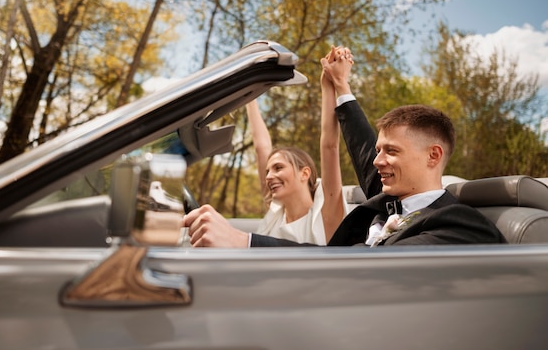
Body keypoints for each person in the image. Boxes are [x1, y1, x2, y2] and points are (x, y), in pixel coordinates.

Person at [183, 46, 506, 247]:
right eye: (379, 150)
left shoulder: (457, 223)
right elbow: (363, 148)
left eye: (391, 151)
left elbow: (360, 267)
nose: (378, 161)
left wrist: (243, 241)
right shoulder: (390, 194)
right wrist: (340, 84)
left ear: (433, 156)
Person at [244, 64, 347, 244]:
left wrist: (329, 84)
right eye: (268, 171)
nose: (269, 176)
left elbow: (330, 146)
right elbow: (262, 147)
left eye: (278, 167)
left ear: (304, 173)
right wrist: (247, 94)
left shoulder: (325, 215)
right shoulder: (275, 212)